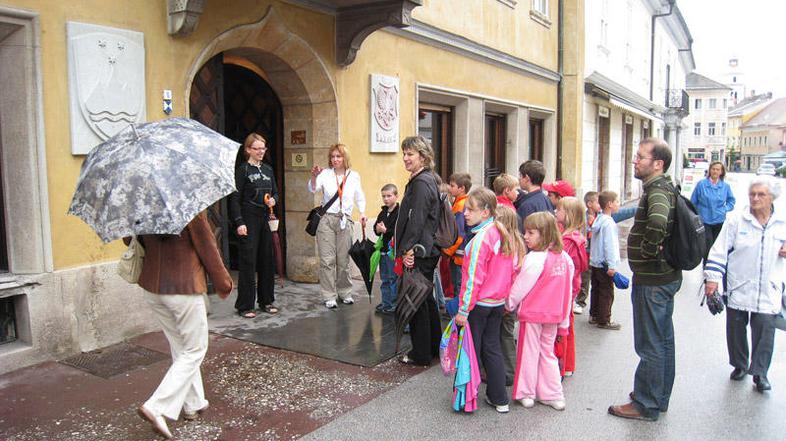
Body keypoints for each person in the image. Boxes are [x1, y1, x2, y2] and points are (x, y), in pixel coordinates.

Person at [133, 212, 233, 439]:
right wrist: (223, 282)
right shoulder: (188, 205)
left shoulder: (143, 203)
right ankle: (156, 406)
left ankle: (193, 403)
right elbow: (207, 246)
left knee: (181, 347)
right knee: (196, 348)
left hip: (153, 286)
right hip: (182, 285)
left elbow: (130, 241)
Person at [609, 138, 681, 422]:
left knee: (650, 343)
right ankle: (657, 396)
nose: (635, 161)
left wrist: (648, 252)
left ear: (658, 164)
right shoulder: (663, 187)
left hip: (653, 281)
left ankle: (646, 403)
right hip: (662, 278)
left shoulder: (658, 191)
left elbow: (659, 222)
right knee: (662, 341)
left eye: (640, 157)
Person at [704, 175, 786, 392]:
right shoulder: (736, 220)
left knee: (765, 331)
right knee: (736, 328)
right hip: (739, 284)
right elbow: (719, 250)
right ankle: (739, 365)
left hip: (769, 287)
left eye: (761, 194)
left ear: (772, 198)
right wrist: (712, 279)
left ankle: (760, 373)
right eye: (752, 194)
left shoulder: (782, 222)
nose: (755, 198)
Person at [454, 189, 523, 413]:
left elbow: (473, 278)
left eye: (470, 210)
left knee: (470, 351)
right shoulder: (502, 233)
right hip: (496, 303)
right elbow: (512, 271)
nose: (465, 213)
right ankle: (499, 398)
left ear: (485, 212)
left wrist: (463, 310)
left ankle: (466, 399)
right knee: (492, 348)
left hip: (479, 305)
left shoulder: (479, 240)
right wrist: (505, 300)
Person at [507, 212, 574, 411]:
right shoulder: (564, 258)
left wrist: (509, 304)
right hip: (554, 314)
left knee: (528, 352)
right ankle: (553, 394)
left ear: (544, 234)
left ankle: (526, 393)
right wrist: (564, 322)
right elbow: (568, 292)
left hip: (533, 314)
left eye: (530, 233)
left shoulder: (534, 258)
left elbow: (521, 287)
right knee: (548, 352)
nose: (525, 236)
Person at [395, 136, 442, 366]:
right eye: (404, 153)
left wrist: (408, 249)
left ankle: (421, 353)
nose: (405, 158)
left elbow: (418, 219)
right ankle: (433, 347)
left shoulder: (422, 182)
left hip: (420, 250)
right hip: (426, 248)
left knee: (416, 301)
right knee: (426, 298)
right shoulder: (426, 178)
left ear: (423, 156)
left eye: (410, 154)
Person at [308, 143, 367, 309]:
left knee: (343, 260)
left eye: (338, 156)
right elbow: (313, 189)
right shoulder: (325, 174)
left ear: (344, 158)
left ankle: (345, 292)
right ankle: (329, 295)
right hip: (326, 219)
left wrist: (362, 213)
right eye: (332, 156)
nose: (335, 160)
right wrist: (314, 176)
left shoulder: (353, 176)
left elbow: (359, 196)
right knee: (327, 260)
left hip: (345, 219)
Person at [230, 133, 278, 318]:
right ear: (248, 149)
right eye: (257, 148)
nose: (260, 152)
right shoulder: (242, 170)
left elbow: (275, 192)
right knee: (248, 262)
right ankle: (245, 305)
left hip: (264, 217)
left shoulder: (268, 170)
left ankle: (266, 300)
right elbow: (235, 199)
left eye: (263, 148)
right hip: (248, 217)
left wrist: (274, 199)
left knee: (267, 260)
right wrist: (239, 222)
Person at [554, 196, 588, 377]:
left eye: (559, 209)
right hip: (572, 288)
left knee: (562, 329)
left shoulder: (568, 241)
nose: (555, 212)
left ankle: (561, 364)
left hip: (564, 290)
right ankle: (568, 364)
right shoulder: (575, 237)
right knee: (568, 327)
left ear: (568, 214)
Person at [589, 191, 622, 330]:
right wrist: (612, 264)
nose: (618, 204)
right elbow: (610, 245)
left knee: (596, 289)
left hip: (595, 261)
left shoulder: (598, 220)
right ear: (609, 204)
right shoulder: (608, 223)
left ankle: (594, 314)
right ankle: (604, 319)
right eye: (617, 202)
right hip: (604, 263)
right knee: (606, 291)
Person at [690, 161, 735, 258]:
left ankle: (714, 268)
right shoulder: (701, 184)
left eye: (717, 169)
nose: (715, 171)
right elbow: (693, 202)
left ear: (721, 172)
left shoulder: (725, 186)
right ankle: (706, 266)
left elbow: (731, 201)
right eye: (713, 169)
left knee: (717, 246)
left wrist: (724, 209)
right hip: (704, 220)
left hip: (719, 220)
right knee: (708, 245)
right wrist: (696, 216)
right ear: (709, 170)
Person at [443, 172, 472, 295]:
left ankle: (458, 312)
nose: (450, 188)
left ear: (462, 188)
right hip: (459, 254)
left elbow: (459, 234)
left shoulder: (460, 206)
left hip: (458, 255)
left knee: (459, 286)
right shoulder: (461, 202)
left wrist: (447, 251)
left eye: (452, 185)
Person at [374, 184, 399, 314]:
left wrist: (386, 231)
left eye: (389, 196)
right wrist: (378, 229)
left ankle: (394, 304)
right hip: (383, 251)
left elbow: (397, 231)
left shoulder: (399, 212)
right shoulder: (382, 212)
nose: (386, 199)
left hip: (392, 251)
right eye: (384, 196)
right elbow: (376, 229)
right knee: (384, 278)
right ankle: (386, 302)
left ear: (396, 196)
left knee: (393, 278)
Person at [574, 191, 600, 314]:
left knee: (597, 279)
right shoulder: (582, 218)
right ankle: (580, 301)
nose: (600, 204)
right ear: (589, 204)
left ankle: (595, 305)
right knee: (584, 277)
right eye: (598, 202)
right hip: (586, 252)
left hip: (598, 253)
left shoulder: (601, 216)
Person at [515, 160, 553, 226]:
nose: (519, 179)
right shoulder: (546, 199)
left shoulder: (527, 205)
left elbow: (522, 232)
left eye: (520, 175)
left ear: (527, 178)